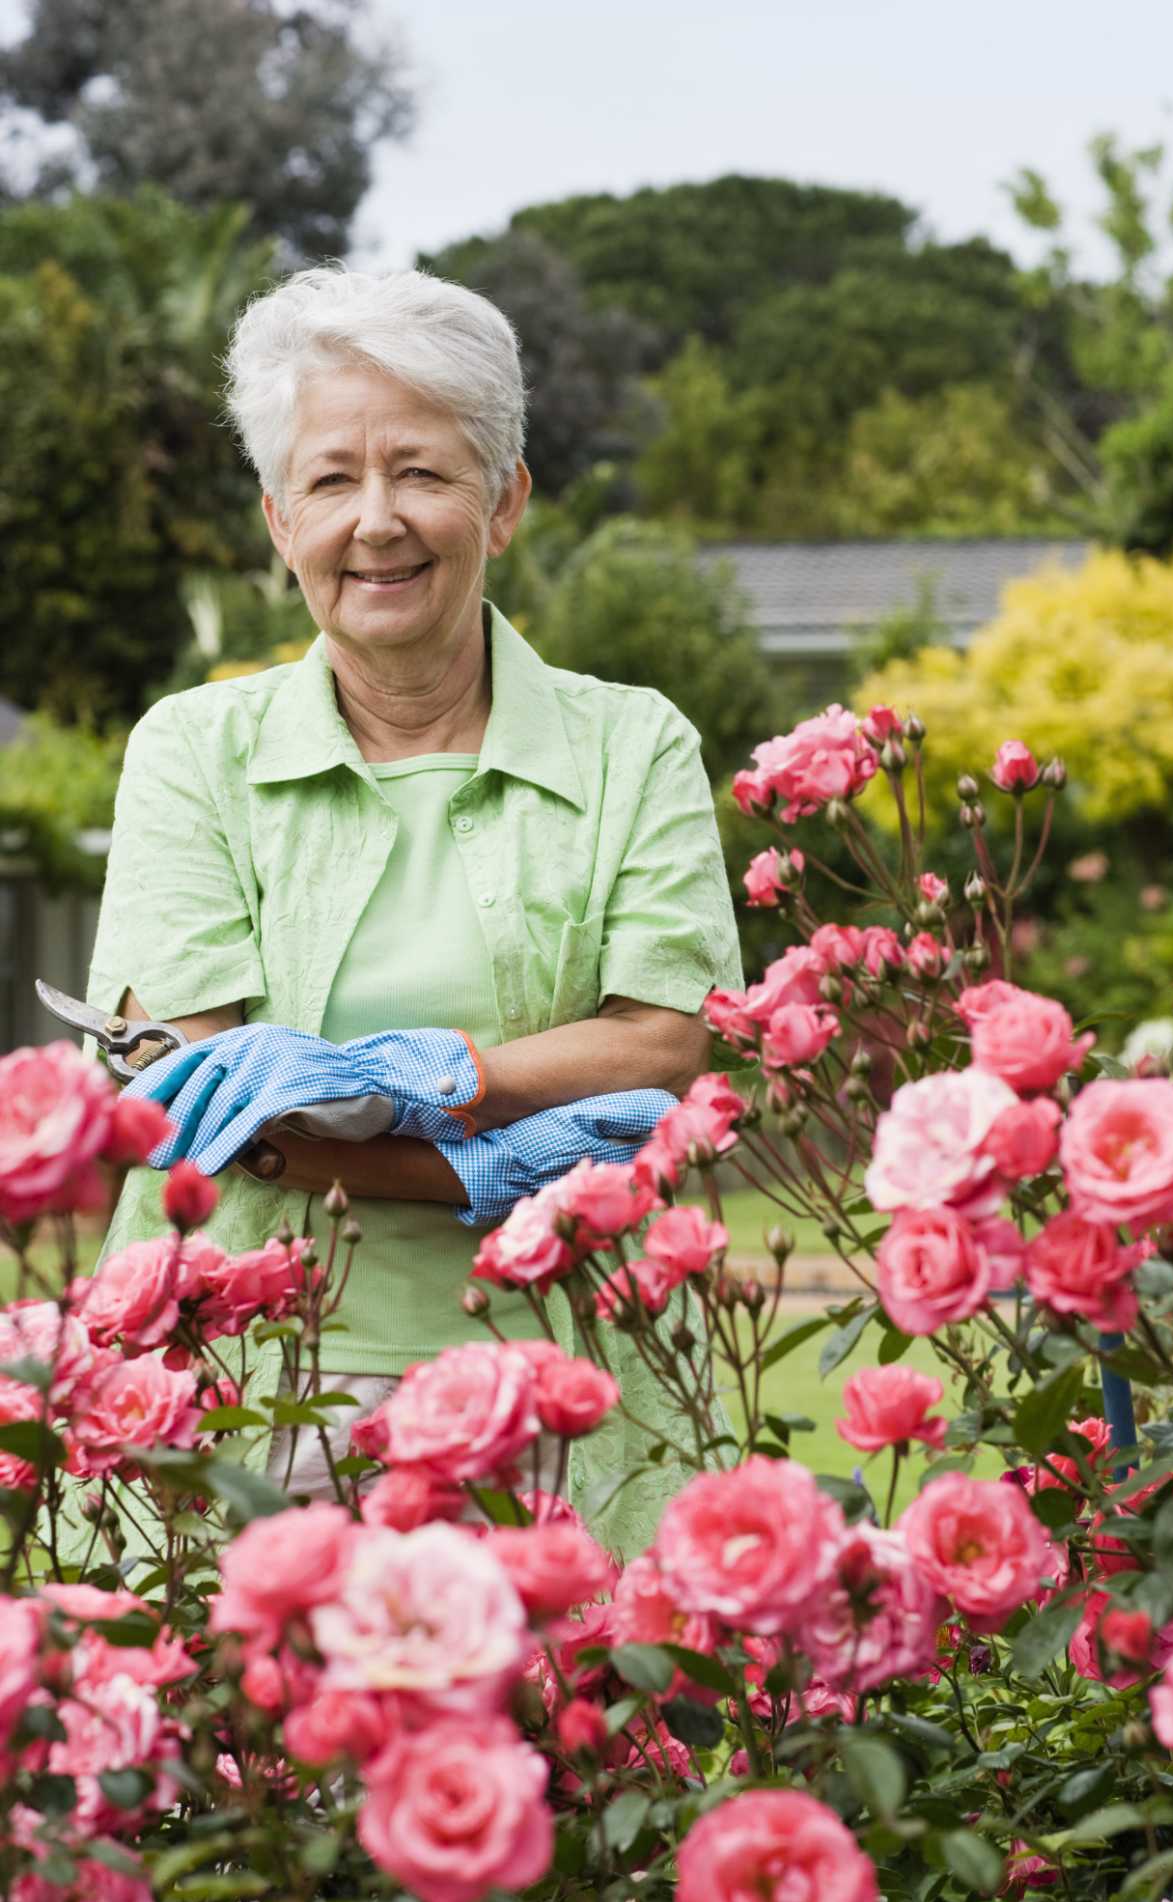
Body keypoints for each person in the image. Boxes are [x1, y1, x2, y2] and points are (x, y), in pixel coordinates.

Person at [86, 266, 742, 1554]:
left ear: (505, 504)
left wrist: (421, 1083)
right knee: (260, 1746)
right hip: (251, 1389)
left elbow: (665, 1044)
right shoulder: (193, 753)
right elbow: (191, 1099)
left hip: (564, 1388)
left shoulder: (632, 747)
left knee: (573, 1740)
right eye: (333, 480)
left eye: (425, 474)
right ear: (280, 522)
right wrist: (487, 1156)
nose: (376, 521)